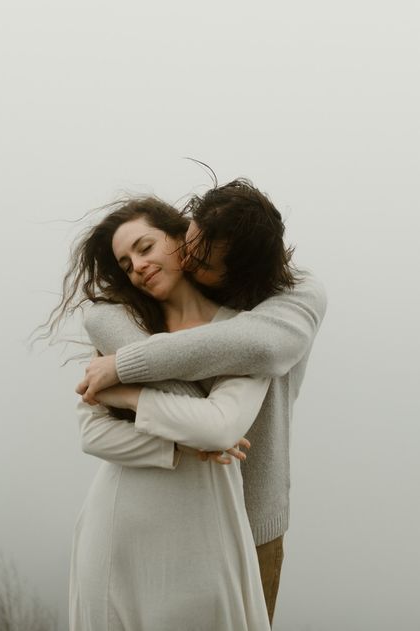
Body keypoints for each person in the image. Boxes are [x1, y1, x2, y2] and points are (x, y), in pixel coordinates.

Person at [78, 178, 327, 626]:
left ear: (233, 272)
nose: (189, 260)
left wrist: (124, 376)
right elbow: (91, 430)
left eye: (200, 259)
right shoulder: (126, 319)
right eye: (189, 241)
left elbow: (221, 416)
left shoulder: (278, 309)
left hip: (251, 518)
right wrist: (177, 445)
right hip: (152, 515)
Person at [57, 197, 272, 630]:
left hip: (204, 531)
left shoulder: (243, 332)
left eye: (144, 247)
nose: (136, 265)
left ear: (181, 239)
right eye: (125, 261)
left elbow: (220, 427)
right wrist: (180, 446)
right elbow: (91, 435)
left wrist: (130, 398)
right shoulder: (125, 328)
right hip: (116, 525)